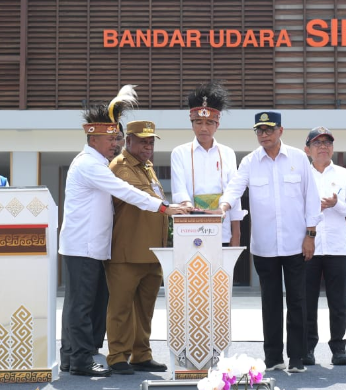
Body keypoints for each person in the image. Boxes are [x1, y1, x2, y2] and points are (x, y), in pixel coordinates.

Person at [58, 86, 188, 377]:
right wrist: (165, 208)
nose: (114, 144)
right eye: (110, 139)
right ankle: (79, 359)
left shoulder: (100, 162)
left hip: (94, 246)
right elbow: (126, 192)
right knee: (82, 307)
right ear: (93, 138)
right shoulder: (91, 165)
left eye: (116, 138)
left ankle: (71, 357)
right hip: (84, 246)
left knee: (82, 305)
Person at [219, 111, 322, 373]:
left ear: (280, 131)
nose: (264, 135)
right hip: (264, 246)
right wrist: (224, 205)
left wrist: (310, 236)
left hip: (296, 243)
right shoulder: (250, 161)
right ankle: (274, 357)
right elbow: (235, 187)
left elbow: (311, 199)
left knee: (297, 301)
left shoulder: (299, 158)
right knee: (271, 302)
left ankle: (297, 357)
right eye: (259, 131)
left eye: (269, 130)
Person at [106, 120, 187, 375]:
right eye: (142, 141)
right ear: (128, 141)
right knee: (121, 308)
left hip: (153, 252)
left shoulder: (148, 168)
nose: (148, 146)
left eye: (151, 141)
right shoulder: (120, 167)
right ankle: (118, 355)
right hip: (127, 252)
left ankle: (141, 354)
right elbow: (138, 199)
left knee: (145, 308)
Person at [301, 126, 346, 367]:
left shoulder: (345, 175)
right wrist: (315, 209)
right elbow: (294, 208)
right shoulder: (301, 173)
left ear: (333, 148)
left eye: (327, 142)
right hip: (307, 246)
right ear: (308, 149)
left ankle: (339, 348)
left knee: (337, 301)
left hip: (337, 247)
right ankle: (307, 348)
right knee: (307, 300)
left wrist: (336, 204)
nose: (323, 146)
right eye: (317, 143)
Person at [171, 80, 244, 245]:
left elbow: (234, 193)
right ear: (192, 125)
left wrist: (236, 234)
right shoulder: (179, 152)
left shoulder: (228, 153)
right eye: (199, 122)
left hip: (222, 232)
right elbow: (178, 190)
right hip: (189, 229)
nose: (204, 128)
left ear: (217, 125)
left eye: (209, 123)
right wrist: (192, 210)